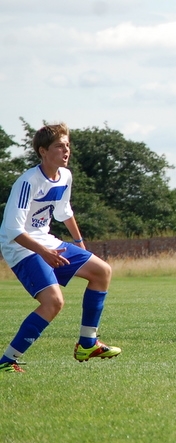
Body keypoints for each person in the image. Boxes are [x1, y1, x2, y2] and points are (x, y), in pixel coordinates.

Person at [0, 123, 121, 373]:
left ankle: (88, 343)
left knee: (102, 272)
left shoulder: (65, 175)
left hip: (46, 241)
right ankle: (6, 361)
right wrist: (43, 253)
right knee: (53, 302)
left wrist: (78, 243)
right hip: (20, 246)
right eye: (59, 146)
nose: (66, 150)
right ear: (43, 151)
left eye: (67, 145)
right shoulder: (28, 181)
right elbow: (13, 230)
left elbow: (64, 211)